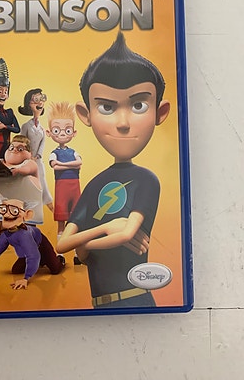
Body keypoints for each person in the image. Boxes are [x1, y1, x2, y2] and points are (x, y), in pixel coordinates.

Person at [56, 33, 170, 309]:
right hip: (98, 305)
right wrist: (107, 228)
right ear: (86, 114)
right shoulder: (94, 184)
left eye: (139, 105)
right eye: (106, 106)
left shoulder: (146, 180)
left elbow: (126, 234)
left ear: (160, 113)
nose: (123, 123)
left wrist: (85, 243)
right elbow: (62, 245)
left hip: (135, 299)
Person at [46, 101, 82, 256]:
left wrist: (62, 164)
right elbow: (55, 166)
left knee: (75, 222)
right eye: (56, 130)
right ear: (49, 133)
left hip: (75, 188)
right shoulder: (54, 153)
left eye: (67, 130)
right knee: (61, 223)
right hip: (61, 189)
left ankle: (77, 254)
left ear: (74, 133)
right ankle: (60, 254)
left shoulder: (73, 151)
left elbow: (79, 163)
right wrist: (70, 165)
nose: (62, 134)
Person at [19, 88, 54, 213]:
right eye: (36, 99)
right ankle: (24, 212)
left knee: (43, 185)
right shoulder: (25, 126)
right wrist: (28, 156)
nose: (40, 103)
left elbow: (42, 144)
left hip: (38, 162)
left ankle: (54, 211)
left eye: (41, 99)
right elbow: (21, 143)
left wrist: (37, 156)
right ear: (29, 104)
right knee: (28, 186)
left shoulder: (42, 129)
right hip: (27, 162)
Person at [0, 58, 20, 159]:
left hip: (9, 148)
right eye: (0, 91)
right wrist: (9, 126)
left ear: (8, 95)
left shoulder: (9, 112)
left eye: (5, 92)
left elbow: (17, 129)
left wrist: (5, 126)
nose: (3, 94)